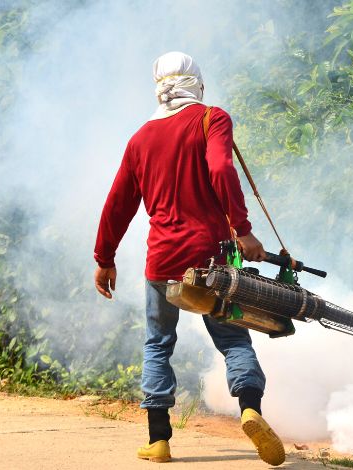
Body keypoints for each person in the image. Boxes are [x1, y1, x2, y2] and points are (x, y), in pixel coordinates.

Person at [92, 51, 285, 466]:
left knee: (157, 345)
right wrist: (243, 227)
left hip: (162, 263)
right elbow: (220, 168)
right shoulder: (211, 119)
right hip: (212, 259)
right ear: (197, 82)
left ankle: (159, 440)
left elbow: (118, 203)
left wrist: (104, 257)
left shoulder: (141, 138)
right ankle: (251, 410)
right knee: (233, 339)